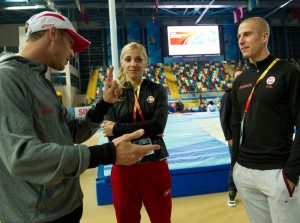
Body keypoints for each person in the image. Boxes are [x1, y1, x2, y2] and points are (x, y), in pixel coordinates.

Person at [0, 11, 160, 223]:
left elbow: (73, 132)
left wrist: (104, 104)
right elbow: (22, 157)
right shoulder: (6, 79)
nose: (73, 54)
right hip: (37, 215)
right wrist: (106, 154)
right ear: (53, 33)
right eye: (71, 43)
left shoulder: (42, 81)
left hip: (64, 205)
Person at [231, 17, 300, 223]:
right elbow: (236, 125)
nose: (241, 40)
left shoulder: (289, 73)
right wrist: (235, 167)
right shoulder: (241, 79)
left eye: (247, 34)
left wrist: (291, 173)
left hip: (277, 173)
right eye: (239, 36)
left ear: (264, 36)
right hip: (245, 172)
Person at [101, 42, 171, 223]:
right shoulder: (113, 93)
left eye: (138, 59)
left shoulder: (157, 90)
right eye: (128, 59)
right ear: (122, 63)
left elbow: (158, 126)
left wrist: (117, 127)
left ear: (145, 63)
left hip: (154, 163)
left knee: (161, 218)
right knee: (126, 219)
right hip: (124, 167)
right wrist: (147, 128)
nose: (133, 64)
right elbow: (109, 134)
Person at [219, 67, 243, 207]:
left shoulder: (249, 93)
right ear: (233, 79)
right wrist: (229, 137)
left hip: (249, 134)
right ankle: (232, 192)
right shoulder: (228, 95)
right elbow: (223, 118)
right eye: (237, 77)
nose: (239, 79)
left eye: (241, 77)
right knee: (235, 163)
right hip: (234, 135)